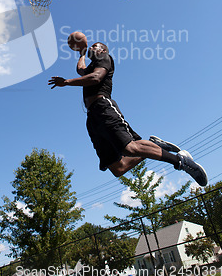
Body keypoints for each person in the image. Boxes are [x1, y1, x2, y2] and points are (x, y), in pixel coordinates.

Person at [48, 39, 208, 186]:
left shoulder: (105, 58)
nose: (91, 48)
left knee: (129, 149)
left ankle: (181, 161)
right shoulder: (91, 66)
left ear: (103, 50)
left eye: (94, 46)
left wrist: (67, 82)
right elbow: (80, 69)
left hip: (104, 107)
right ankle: (154, 145)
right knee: (118, 168)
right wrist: (81, 53)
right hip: (92, 117)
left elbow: (96, 78)